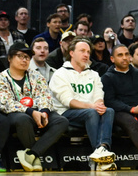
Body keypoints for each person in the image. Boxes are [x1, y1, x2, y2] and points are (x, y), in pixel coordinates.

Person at [0, 41, 70, 172]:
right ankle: (35, 157)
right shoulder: (0, 79)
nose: (24, 60)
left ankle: (32, 154)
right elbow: (5, 103)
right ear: (9, 58)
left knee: (62, 121)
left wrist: (44, 111)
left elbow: (45, 95)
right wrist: (30, 112)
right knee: (23, 119)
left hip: (39, 111)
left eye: (27, 57)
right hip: (16, 114)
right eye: (20, 56)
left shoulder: (36, 75)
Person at [49, 37, 116, 169]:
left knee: (109, 111)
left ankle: (101, 150)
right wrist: (93, 106)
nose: (86, 55)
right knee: (91, 113)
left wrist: (99, 105)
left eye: (88, 52)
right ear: (72, 53)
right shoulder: (60, 74)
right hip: (65, 113)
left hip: (90, 111)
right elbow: (68, 101)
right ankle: (99, 156)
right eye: (82, 51)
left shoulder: (94, 74)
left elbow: (98, 95)